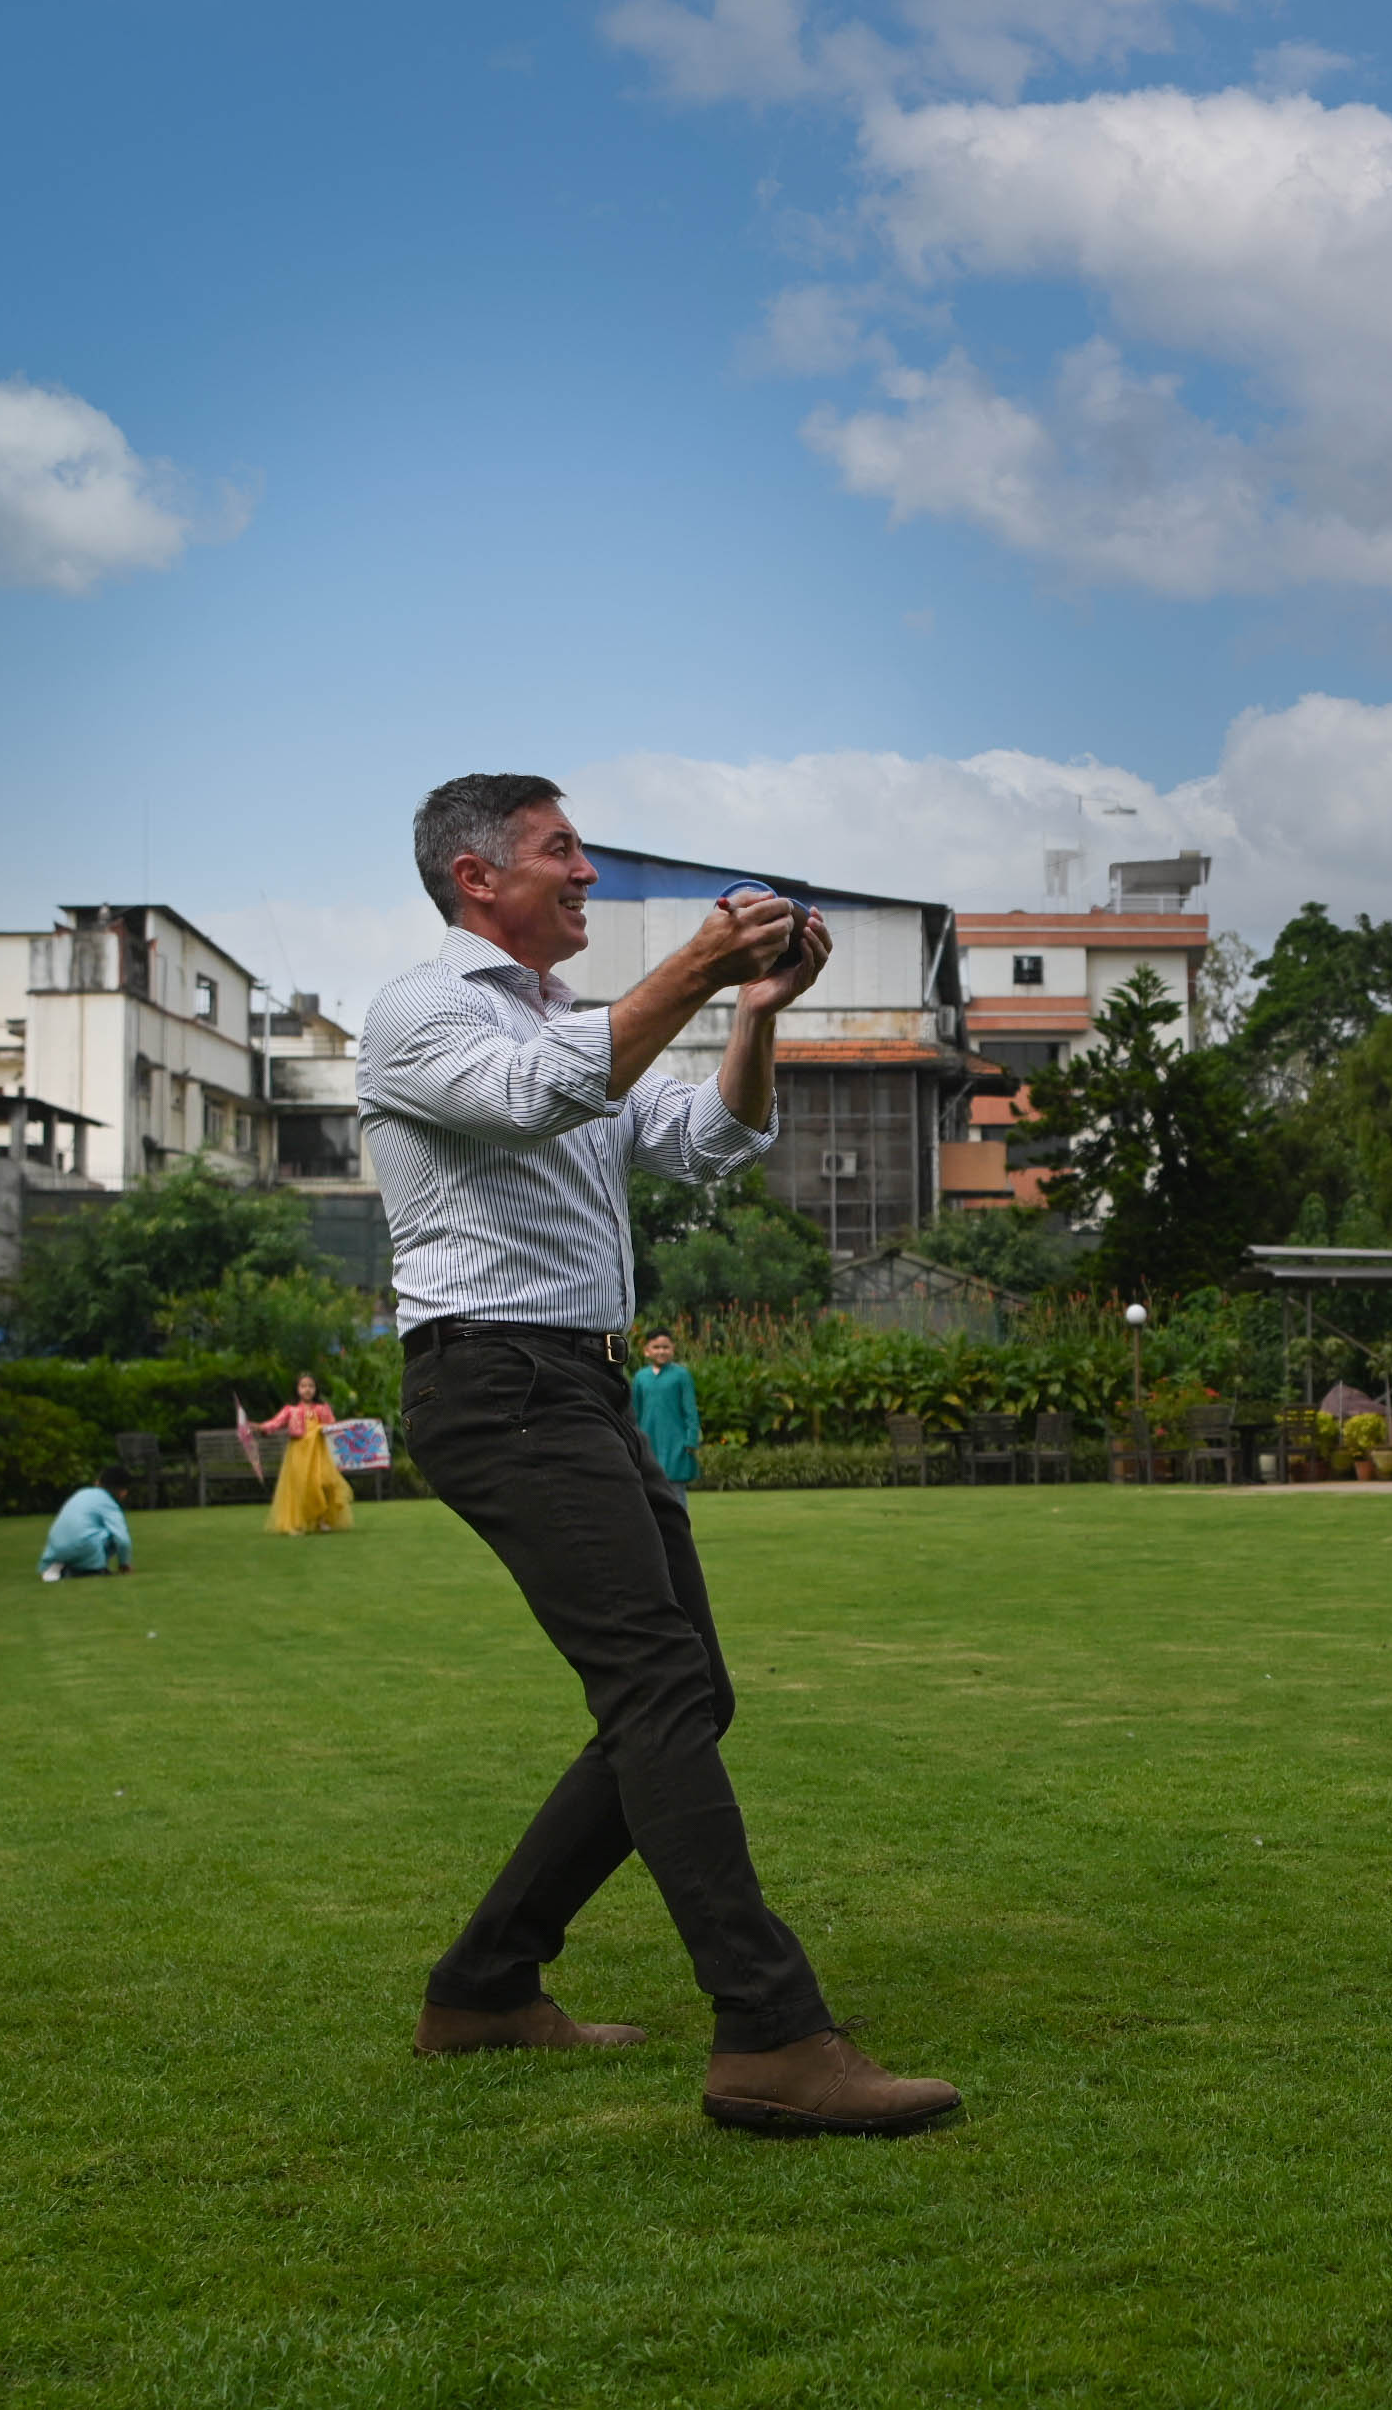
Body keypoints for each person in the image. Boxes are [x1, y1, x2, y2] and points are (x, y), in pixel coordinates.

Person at [363, 772, 961, 2135]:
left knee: (686, 1689)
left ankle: (485, 1983)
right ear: (475, 876)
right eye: (560, 850)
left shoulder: (572, 1019)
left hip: (576, 1383)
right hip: (496, 1377)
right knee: (655, 1685)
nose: (586, 874)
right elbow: (533, 1098)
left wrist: (754, 1010)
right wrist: (701, 959)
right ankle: (769, 2031)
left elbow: (708, 1137)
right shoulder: (422, 1011)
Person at [240, 1371, 356, 1536]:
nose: (307, 1389)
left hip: (318, 1452)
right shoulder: (291, 1410)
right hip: (299, 1452)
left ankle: (322, 1519)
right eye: (303, 1386)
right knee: (301, 1486)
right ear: (297, 1389)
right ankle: (297, 1523)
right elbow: (276, 1423)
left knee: (323, 1483)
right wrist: (260, 1427)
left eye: (311, 1386)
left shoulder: (322, 1409)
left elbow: (333, 1426)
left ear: (316, 1389)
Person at [631, 1330, 702, 1485]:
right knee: (649, 1486)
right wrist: (633, 1439)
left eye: (665, 1347)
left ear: (673, 1349)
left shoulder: (681, 1375)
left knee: (675, 1489)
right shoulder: (640, 1377)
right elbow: (634, 1412)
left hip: (676, 1441)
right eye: (656, 1347)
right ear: (647, 1350)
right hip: (648, 1440)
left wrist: (691, 1439)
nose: (661, 1351)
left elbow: (690, 1410)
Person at [39, 1468, 136, 1582]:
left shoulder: (81, 1493)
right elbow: (122, 1539)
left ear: (98, 1482)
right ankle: (90, 1570)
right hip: (82, 1546)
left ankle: (59, 1566)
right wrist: (124, 1563)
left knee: (86, 1531)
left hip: (55, 1547)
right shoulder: (109, 1504)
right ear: (123, 1491)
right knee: (112, 1536)